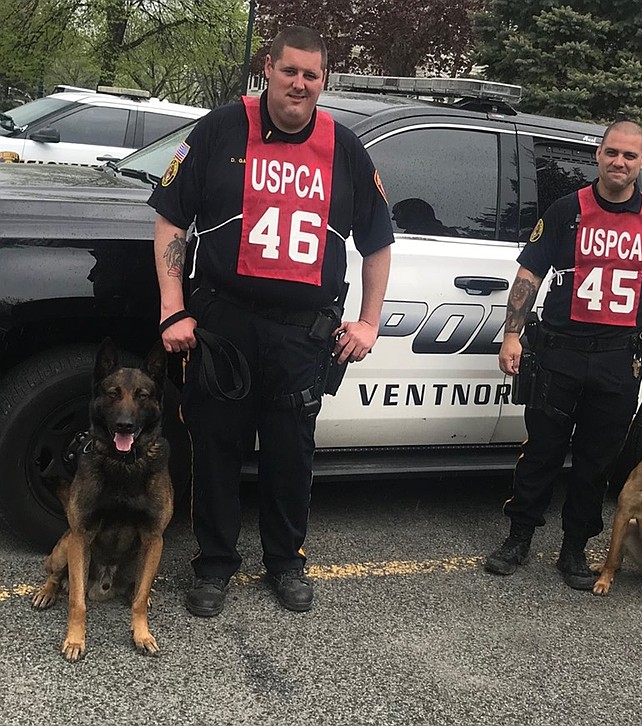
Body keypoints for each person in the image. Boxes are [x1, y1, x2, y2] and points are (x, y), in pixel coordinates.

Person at [149, 25, 393, 615]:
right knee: (215, 449)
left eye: (312, 75)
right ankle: (213, 565)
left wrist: (369, 322)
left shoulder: (346, 148)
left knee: (291, 454)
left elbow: (379, 240)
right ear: (269, 68)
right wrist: (172, 308)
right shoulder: (220, 128)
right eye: (290, 71)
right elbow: (171, 223)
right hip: (223, 326)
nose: (300, 84)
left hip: (301, 334)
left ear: (324, 80)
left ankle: (286, 563)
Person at [485, 120, 642, 590]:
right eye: (612, 152)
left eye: (629, 156)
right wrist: (511, 334)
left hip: (618, 359)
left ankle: (574, 548)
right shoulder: (566, 210)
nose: (619, 162)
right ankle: (519, 538)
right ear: (598, 155)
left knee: (596, 460)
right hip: (560, 353)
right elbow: (529, 273)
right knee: (541, 451)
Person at [391, 198, 457, 236]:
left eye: (397, 213)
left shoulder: (412, 240)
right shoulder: (451, 235)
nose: (393, 218)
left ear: (410, 214)